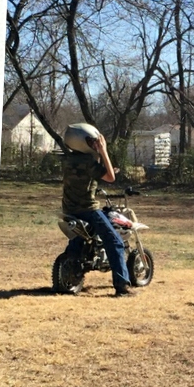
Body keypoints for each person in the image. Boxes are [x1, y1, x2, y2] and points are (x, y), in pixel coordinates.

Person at [60, 123, 134, 296]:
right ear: (81, 142)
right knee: (115, 242)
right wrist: (103, 151)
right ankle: (122, 286)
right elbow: (110, 177)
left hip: (69, 209)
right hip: (88, 210)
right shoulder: (89, 162)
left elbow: (85, 176)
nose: (95, 144)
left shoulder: (68, 159)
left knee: (79, 239)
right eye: (92, 141)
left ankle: (68, 273)